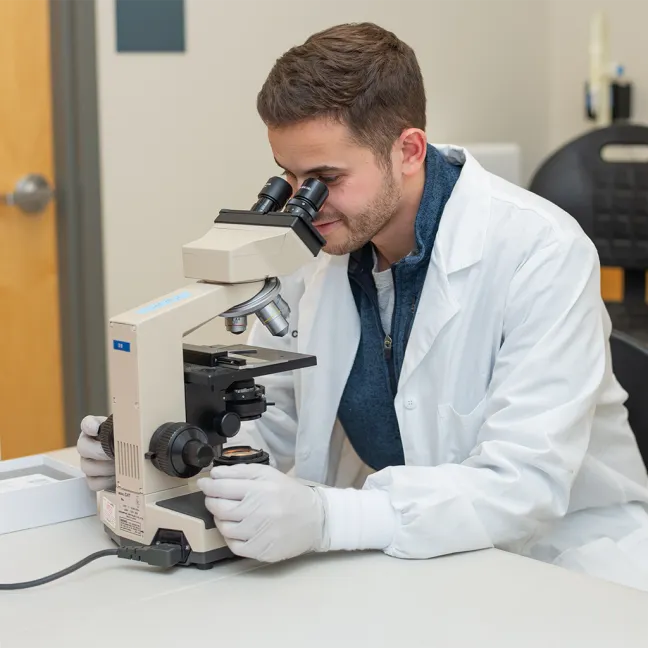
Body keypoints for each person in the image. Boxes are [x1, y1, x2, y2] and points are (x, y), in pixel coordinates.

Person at [77, 22, 648, 591]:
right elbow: (276, 423)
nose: (306, 204)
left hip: (561, 558)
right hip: (400, 553)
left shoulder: (542, 252)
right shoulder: (325, 249)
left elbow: (524, 485)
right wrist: (155, 452)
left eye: (326, 178)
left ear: (408, 150)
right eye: (290, 177)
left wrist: (329, 517)